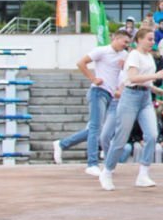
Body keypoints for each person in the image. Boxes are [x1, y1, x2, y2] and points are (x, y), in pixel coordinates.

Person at [55, 30, 129, 174]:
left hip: (110, 95)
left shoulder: (124, 55)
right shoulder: (102, 51)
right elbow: (81, 63)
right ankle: (92, 163)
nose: (126, 45)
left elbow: (126, 75)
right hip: (98, 91)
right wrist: (93, 78)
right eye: (124, 41)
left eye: (127, 42)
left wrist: (124, 68)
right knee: (95, 127)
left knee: (95, 129)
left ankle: (62, 144)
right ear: (116, 38)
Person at [101, 26, 162, 191]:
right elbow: (133, 78)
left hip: (145, 97)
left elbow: (144, 81)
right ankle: (107, 171)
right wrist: (156, 76)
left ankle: (144, 173)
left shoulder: (149, 56)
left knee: (152, 134)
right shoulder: (134, 55)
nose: (152, 42)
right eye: (149, 39)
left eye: (153, 39)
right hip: (130, 96)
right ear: (139, 40)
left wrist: (155, 89)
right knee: (121, 138)